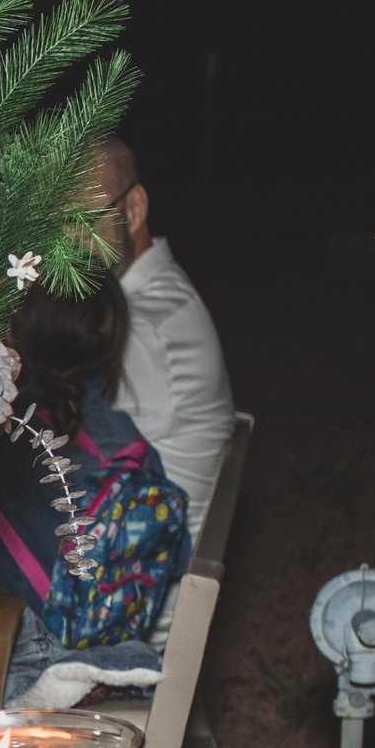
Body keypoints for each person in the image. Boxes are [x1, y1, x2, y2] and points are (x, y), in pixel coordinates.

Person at [0, 282, 191, 708]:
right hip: (118, 629)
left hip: (35, 637)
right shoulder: (129, 438)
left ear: (17, 338)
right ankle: (109, 663)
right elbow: (176, 555)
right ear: (110, 347)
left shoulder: (15, 436)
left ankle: (45, 677)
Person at [93, 136, 236, 544]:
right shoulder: (156, 297)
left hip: (141, 594)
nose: (65, 247)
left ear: (134, 209)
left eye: (86, 221)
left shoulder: (142, 330)